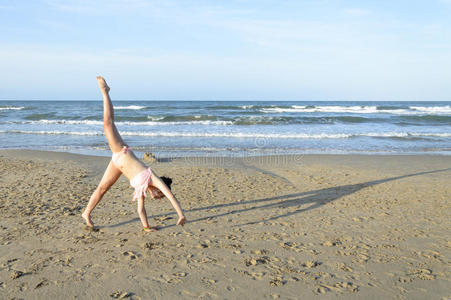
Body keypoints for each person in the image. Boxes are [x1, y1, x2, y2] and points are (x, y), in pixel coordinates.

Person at [82, 76, 186, 231]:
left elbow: (140, 210)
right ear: (160, 189)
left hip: (117, 163)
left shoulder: (142, 190)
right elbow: (171, 197)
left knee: (102, 188)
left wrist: (146, 227)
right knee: (108, 123)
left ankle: (86, 213)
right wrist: (181, 215)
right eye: (160, 196)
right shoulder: (154, 179)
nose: (158, 198)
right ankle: (105, 92)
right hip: (121, 151)